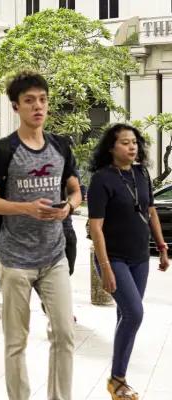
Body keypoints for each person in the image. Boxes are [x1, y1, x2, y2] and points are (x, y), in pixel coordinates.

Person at [0, 71, 81, 400]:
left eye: (42, 100)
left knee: (65, 334)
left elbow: (76, 189)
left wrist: (69, 207)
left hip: (54, 256)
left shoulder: (61, 146)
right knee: (15, 342)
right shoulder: (3, 150)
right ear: (15, 107)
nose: (38, 106)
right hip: (15, 260)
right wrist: (25, 208)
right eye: (29, 101)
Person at [88, 123, 169, 400]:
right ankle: (118, 379)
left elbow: (151, 211)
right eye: (125, 142)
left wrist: (161, 246)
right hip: (114, 258)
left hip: (139, 257)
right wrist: (106, 267)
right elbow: (95, 227)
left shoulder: (140, 173)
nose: (132, 147)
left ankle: (117, 378)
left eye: (134, 142)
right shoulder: (101, 179)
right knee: (134, 313)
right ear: (111, 147)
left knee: (126, 315)